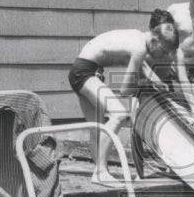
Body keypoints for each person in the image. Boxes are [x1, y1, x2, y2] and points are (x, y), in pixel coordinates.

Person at [68, 22, 179, 185]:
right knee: (119, 114)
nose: (163, 56)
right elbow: (124, 90)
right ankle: (100, 172)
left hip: (83, 70)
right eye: (163, 51)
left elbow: (144, 67)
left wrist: (157, 82)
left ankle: (100, 171)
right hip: (85, 72)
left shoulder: (139, 36)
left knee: (97, 127)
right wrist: (147, 84)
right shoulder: (140, 48)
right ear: (155, 40)